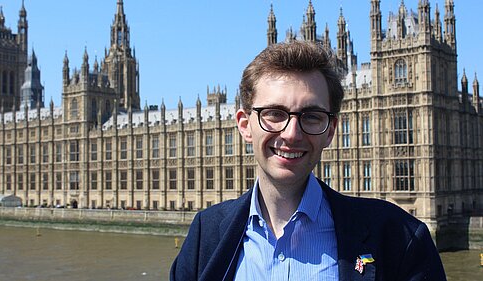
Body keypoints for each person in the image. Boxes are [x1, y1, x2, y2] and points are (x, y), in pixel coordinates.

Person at [170, 41, 446, 281]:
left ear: (331, 130)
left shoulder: (400, 238)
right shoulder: (205, 236)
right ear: (244, 125)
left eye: (311, 116)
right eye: (274, 113)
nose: (292, 134)